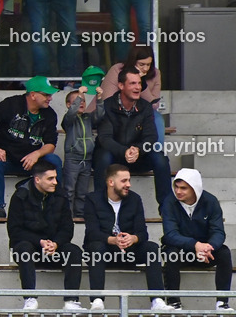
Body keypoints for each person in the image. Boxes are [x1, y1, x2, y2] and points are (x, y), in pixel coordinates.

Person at [83, 164, 172, 311]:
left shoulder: (135, 199)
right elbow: (92, 232)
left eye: (129, 180)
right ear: (111, 182)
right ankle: (97, 299)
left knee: (152, 248)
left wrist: (133, 238)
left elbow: (143, 233)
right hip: (105, 250)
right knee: (96, 247)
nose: (128, 185)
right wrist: (113, 240)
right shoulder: (93, 199)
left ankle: (157, 300)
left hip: (129, 251)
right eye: (124, 181)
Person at [0, 76, 63, 217]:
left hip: (32, 162)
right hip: (8, 159)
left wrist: (37, 154)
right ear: (33, 95)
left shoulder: (49, 114)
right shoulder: (12, 104)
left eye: (50, 95)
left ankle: (54, 203)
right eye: (46, 94)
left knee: (54, 160)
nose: (50, 98)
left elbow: (50, 144)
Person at [7, 159, 84, 310]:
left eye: (55, 177)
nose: (55, 182)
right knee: (23, 248)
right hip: (31, 249)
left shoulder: (60, 196)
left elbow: (67, 228)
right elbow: (15, 231)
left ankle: (71, 301)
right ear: (37, 179)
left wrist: (55, 243)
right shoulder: (20, 196)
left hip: (54, 248)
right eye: (50, 178)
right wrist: (40, 241)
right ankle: (30, 299)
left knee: (74, 252)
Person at [93, 67, 171, 207]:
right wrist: (124, 151)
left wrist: (138, 150)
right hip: (114, 157)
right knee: (103, 156)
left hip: (137, 156)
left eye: (139, 83)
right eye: (133, 83)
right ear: (121, 86)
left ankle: (167, 209)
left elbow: (151, 136)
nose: (138, 87)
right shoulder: (108, 105)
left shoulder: (145, 107)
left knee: (160, 158)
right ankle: (101, 205)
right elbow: (105, 138)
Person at [161, 169, 234, 312]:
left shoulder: (210, 201)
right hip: (182, 250)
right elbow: (170, 234)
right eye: (176, 187)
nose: (178, 191)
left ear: (194, 188)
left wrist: (209, 247)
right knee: (171, 253)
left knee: (224, 253)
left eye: (183, 188)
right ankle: (173, 301)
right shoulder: (169, 202)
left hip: (206, 253)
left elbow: (218, 231)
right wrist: (195, 245)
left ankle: (222, 302)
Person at [99, 45, 165, 146]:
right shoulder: (117, 69)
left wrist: (142, 83)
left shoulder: (155, 73)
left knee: (158, 118)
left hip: (142, 111)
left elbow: (154, 105)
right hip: (117, 110)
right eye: (141, 64)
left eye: (149, 64)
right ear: (133, 62)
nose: (145, 68)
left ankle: (155, 151)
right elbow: (107, 100)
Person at [60, 86, 105, 217]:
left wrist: (100, 98)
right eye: (78, 101)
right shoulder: (68, 120)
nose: (81, 103)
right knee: (69, 190)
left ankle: (79, 214)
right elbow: (71, 113)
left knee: (82, 191)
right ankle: (67, 215)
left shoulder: (88, 118)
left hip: (87, 159)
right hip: (73, 158)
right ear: (69, 105)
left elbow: (100, 114)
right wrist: (80, 94)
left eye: (84, 101)